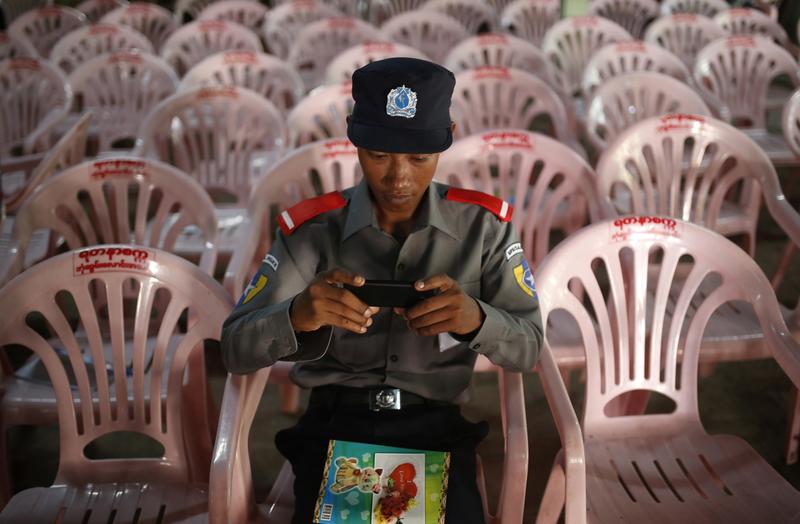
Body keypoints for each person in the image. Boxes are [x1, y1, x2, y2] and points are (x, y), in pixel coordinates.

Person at [221, 57, 543, 523]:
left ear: (448, 135)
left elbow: (530, 347)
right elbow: (234, 348)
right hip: (335, 425)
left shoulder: (484, 229)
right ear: (352, 133)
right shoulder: (312, 230)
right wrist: (296, 316)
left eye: (418, 157)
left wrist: (477, 319)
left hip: (436, 426)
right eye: (379, 155)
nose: (399, 178)